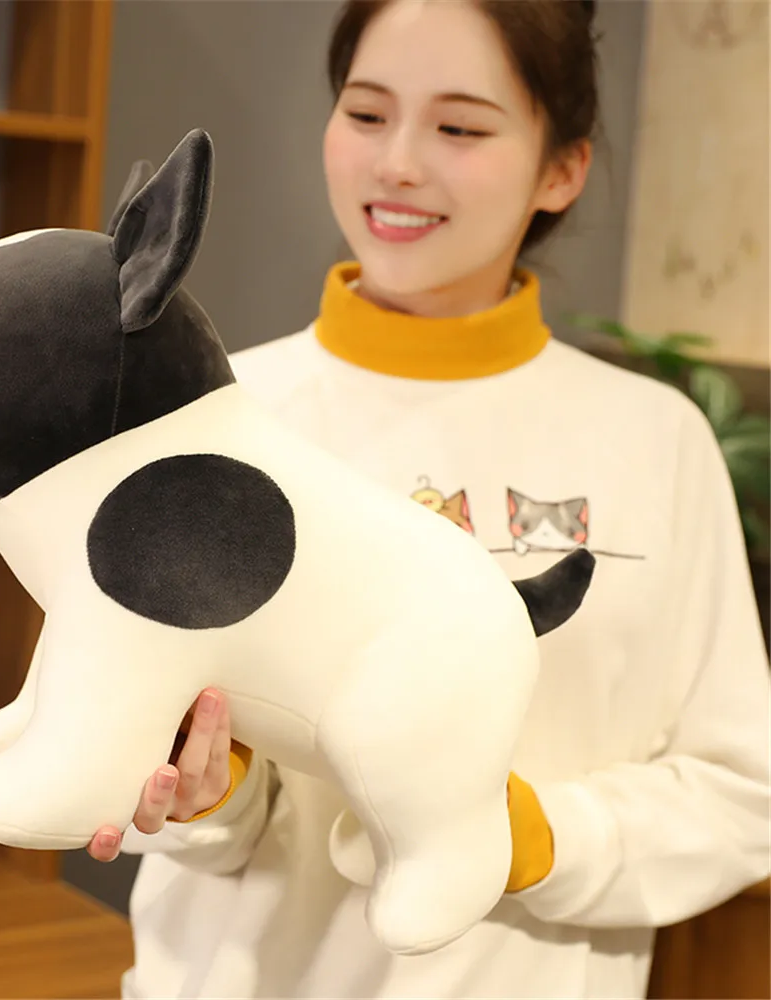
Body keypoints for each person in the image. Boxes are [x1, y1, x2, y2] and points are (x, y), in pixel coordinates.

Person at [89, 1, 771, 996]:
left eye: (459, 127)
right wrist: (208, 794)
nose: (398, 163)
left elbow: (740, 792)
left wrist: (528, 838)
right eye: (367, 113)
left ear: (562, 168)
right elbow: (140, 739)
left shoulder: (654, 439)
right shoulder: (213, 412)